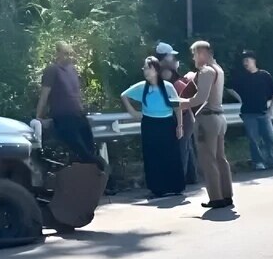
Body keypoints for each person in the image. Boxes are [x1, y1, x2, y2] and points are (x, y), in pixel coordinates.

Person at [121, 56, 186, 198]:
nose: (145, 71)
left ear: (155, 69)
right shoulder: (142, 87)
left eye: (147, 68)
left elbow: (177, 107)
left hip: (167, 123)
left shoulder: (168, 87)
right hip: (150, 124)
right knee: (153, 156)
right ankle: (157, 188)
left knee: (171, 155)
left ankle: (175, 186)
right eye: (144, 68)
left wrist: (179, 125)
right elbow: (124, 95)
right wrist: (133, 112)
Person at [180, 40, 234, 209]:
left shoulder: (206, 71)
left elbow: (200, 98)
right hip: (219, 117)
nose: (194, 58)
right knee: (220, 158)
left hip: (207, 119)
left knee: (207, 159)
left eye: (195, 54)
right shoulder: (219, 69)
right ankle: (227, 195)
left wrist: (180, 103)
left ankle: (216, 198)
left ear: (203, 53)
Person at [36, 41, 105, 169]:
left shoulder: (71, 70)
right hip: (64, 117)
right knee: (84, 153)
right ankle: (102, 179)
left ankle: (101, 182)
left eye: (70, 53)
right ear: (57, 54)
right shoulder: (52, 70)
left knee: (89, 151)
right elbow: (44, 95)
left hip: (78, 115)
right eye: (65, 53)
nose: (69, 57)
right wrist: (38, 116)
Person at [229, 50, 273, 170]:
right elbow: (230, 88)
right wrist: (240, 99)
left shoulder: (264, 75)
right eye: (243, 61)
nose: (245, 63)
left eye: (247, 60)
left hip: (264, 112)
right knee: (254, 139)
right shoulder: (242, 77)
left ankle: (272, 160)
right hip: (248, 113)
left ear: (254, 61)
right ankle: (258, 162)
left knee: (270, 138)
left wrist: (271, 109)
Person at [155, 42, 199, 186]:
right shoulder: (166, 72)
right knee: (186, 147)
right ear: (164, 57)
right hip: (184, 114)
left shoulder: (165, 73)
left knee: (182, 148)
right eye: (170, 55)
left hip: (181, 114)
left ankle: (179, 180)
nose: (173, 58)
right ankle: (190, 177)